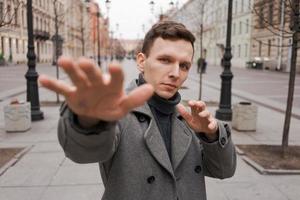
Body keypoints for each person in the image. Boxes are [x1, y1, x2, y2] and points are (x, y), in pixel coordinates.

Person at [39, 21, 236, 200]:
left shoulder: (190, 116)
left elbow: (224, 171)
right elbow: (83, 153)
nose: (176, 73)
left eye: (184, 65)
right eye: (165, 60)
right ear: (142, 61)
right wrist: (88, 121)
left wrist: (211, 136)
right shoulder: (117, 112)